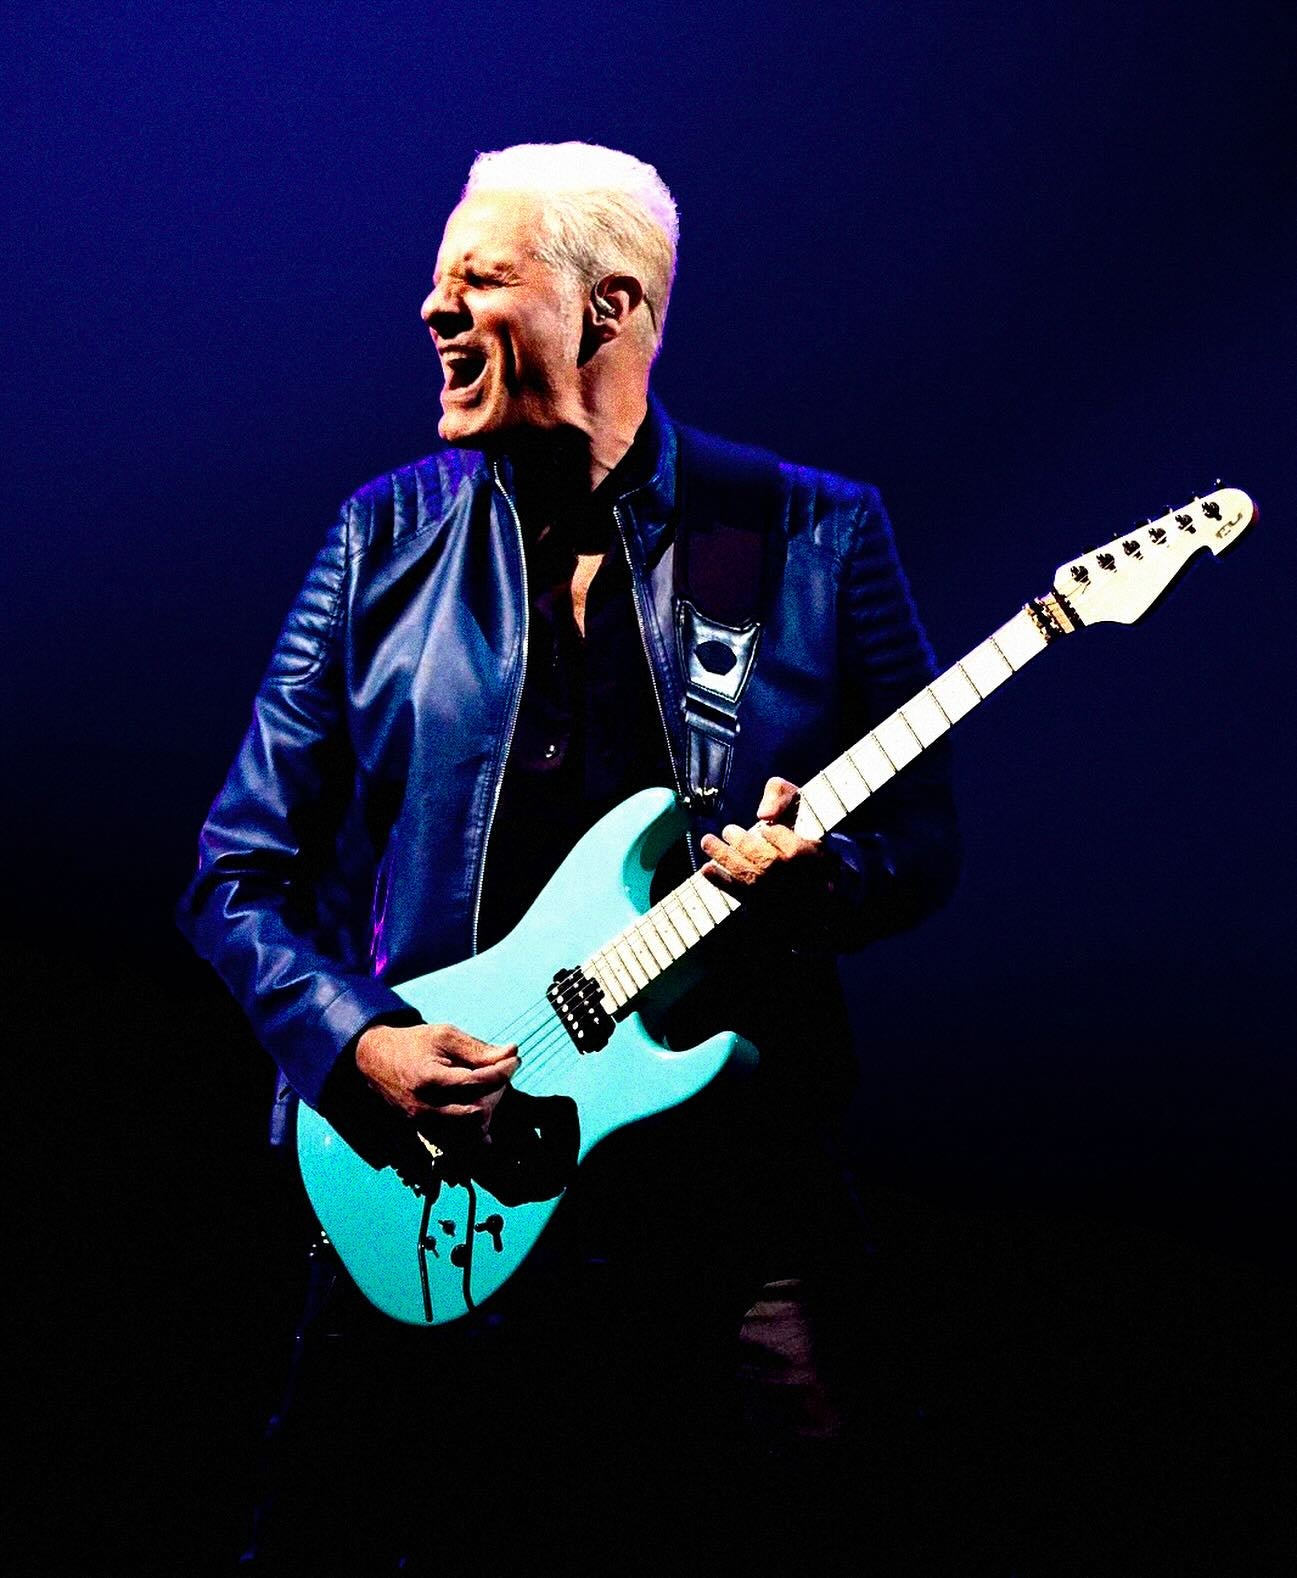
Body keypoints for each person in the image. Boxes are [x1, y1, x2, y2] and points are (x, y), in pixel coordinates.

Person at [179, 141, 959, 1573]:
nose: (433, 307)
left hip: (732, 1185)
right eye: (439, 279)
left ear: (610, 307)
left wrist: (823, 882)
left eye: (481, 278)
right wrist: (356, 1043)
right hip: (438, 1169)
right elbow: (236, 871)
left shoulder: (804, 533)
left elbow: (920, 840)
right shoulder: (381, 538)